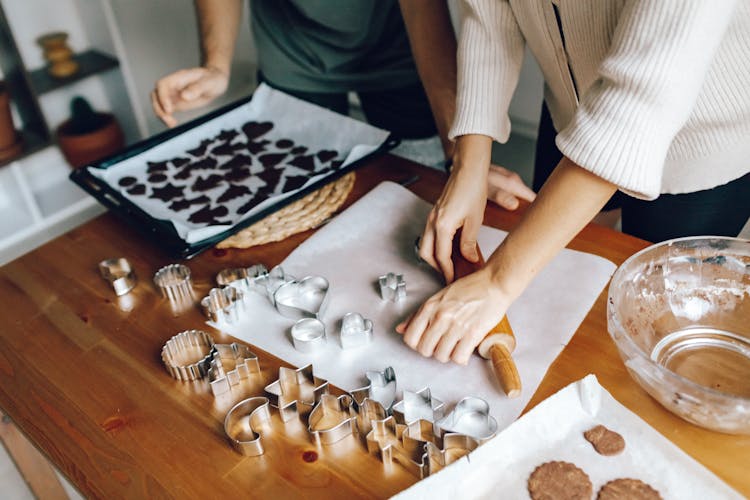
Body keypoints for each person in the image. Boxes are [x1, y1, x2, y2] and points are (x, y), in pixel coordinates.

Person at [398, 0, 750, 365]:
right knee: (554, 290)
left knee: (654, 327)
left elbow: (636, 103)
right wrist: (468, 164)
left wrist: (497, 282)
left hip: (700, 145)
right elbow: (490, 17)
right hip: (571, 113)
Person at [150, 0, 536, 210]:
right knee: (301, 197)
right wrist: (216, 65)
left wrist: (461, 161)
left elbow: (423, 11)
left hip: (399, 52)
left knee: (424, 182)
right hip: (292, 55)